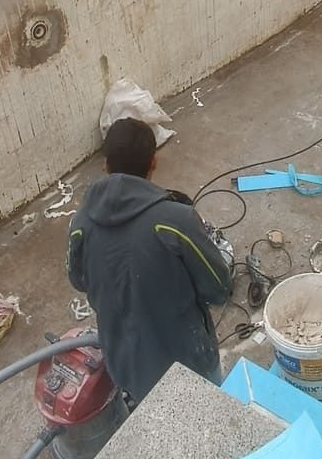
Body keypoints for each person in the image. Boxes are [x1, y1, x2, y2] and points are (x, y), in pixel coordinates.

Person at [66, 116, 232, 404]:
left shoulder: (80, 224)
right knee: (207, 420)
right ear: (153, 161)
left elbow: (79, 280)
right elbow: (219, 288)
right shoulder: (176, 220)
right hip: (189, 365)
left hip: (125, 367)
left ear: (106, 164)